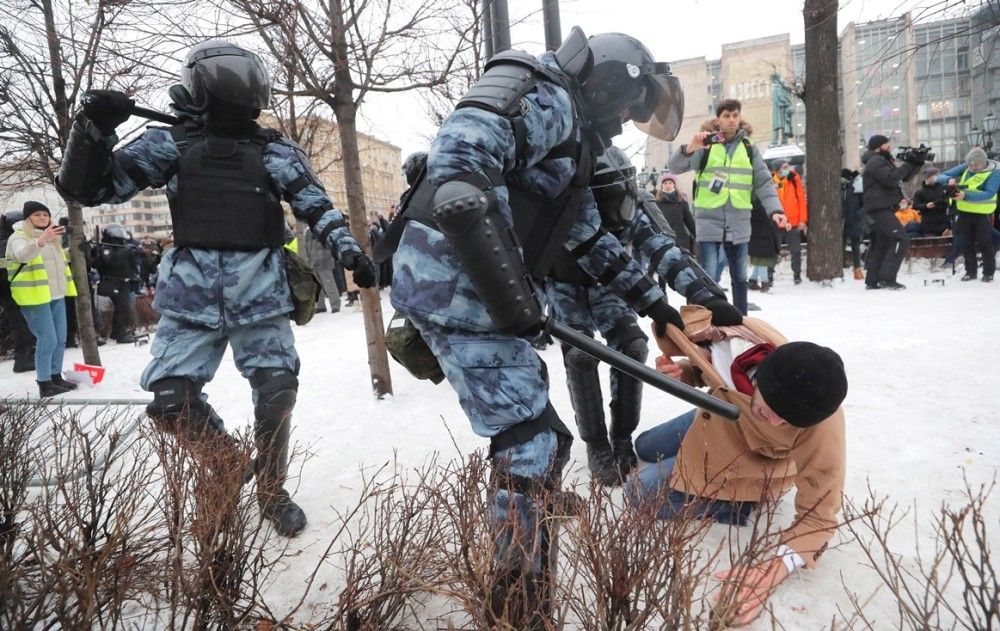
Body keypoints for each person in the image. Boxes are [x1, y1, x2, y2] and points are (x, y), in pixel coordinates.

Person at [390, 28, 739, 622]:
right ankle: (520, 600)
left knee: (544, 439)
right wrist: (512, 301)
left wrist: (658, 305)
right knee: (528, 444)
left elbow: (588, 236)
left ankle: (534, 513)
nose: (628, 121)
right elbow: (457, 175)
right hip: (457, 290)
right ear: (607, 85)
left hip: (471, 292)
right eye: (629, 108)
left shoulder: (572, 137)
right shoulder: (544, 94)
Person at [55, 40, 376, 537]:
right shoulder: (172, 144)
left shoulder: (274, 151)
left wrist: (348, 249)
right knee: (170, 401)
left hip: (261, 294)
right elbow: (87, 189)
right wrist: (92, 129)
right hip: (190, 298)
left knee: (276, 391)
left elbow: (316, 203)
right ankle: (228, 464)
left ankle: (272, 490)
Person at [627, 305, 847, 626]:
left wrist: (775, 568)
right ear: (763, 377)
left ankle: (737, 504)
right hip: (720, 412)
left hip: (748, 457)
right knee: (644, 444)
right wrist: (685, 372)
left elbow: (820, 513)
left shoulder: (822, 422)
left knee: (638, 492)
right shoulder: (749, 347)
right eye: (773, 407)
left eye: (787, 419)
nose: (776, 420)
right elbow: (712, 366)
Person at [546, 147, 740, 487]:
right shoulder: (558, 203)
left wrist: (705, 294)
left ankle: (621, 434)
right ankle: (595, 444)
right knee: (580, 355)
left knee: (632, 347)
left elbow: (664, 250)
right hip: (565, 289)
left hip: (614, 288)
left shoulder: (632, 205)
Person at [668, 99, 786, 314]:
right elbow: (674, 167)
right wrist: (690, 148)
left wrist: (776, 210)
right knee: (709, 276)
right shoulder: (706, 145)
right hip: (708, 221)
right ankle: (709, 319)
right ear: (718, 119)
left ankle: (741, 318)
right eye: (726, 116)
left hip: (739, 222)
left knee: (740, 277)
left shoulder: (749, 148)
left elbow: (764, 182)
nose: (731, 120)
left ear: (739, 118)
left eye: (735, 115)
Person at [4, 202, 79, 397]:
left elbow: (60, 262)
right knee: (47, 339)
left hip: (56, 295)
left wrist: (77, 247)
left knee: (60, 340)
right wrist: (40, 240)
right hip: (35, 296)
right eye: (37, 215)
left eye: (46, 214)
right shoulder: (19, 237)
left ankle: (55, 376)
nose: (43, 218)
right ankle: (44, 382)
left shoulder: (53, 238)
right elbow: (22, 255)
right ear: (27, 218)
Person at [861, 134, 921, 290]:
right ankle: (887, 279)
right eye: (886, 145)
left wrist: (916, 163)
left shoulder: (882, 161)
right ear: (878, 147)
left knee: (882, 242)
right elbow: (891, 179)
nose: (890, 147)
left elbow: (904, 177)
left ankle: (873, 280)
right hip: (880, 208)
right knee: (901, 239)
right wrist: (909, 163)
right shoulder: (875, 161)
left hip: (882, 207)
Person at [935, 147, 999, 282]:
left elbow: (989, 193)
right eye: (970, 164)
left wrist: (964, 195)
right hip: (963, 212)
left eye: (976, 165)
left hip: (982, 213)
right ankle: (970, 272)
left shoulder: (995, 172)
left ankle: (988, 273)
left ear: (984, 162)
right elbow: (941, 176)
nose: (972, 167)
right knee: (966, 243)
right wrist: (949, 181)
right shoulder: (967, 166)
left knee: (985, 243)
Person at [92, 224, 142, 343]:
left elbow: (134, 264)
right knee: (123, 308)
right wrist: (126, 251)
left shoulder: (123, 247)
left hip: (124, 283)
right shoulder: (106, 248)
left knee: (123, 309)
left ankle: (117, 333)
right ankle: (120, 335)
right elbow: (111, 262)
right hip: (111, 282)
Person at [1, 211, 36, 373]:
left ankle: (27, 357)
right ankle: (23, 361)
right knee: (21, 327)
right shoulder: (6, 242)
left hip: (12, 292)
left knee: (23, 326)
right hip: (11, 293)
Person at [771, 160, 807, 284]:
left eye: (787, 166)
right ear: (777, 170)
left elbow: (801, 200)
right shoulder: (770, 181)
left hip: (793, 221)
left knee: (796, 250)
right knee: (773, 250)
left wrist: (803, 220)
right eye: (784, 167)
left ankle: (797, 274)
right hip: (777, 221)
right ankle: (769, 274)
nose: (788, 168)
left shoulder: (794, 179)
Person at [654, 172, 696, 252]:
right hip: (663, 241)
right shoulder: (657, 204)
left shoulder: (681, 202)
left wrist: (696, 235)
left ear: (674, 185)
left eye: (670, 183)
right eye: (665, 183)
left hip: (681, 240)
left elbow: (689, 221)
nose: (668, 185)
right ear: (662, 186)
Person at [748, 195, 781, 292]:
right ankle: (764, 283)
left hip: (759, 236)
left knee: (760, 262)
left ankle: (753, 281)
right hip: (762, 236)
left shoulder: (754, 203)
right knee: (762, 261)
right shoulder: (761, 205)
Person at [303, 228, 340, 313]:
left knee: (329, 283)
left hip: (324, 260)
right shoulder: (308, 231)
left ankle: (335, 304)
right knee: (317, 286)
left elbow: (331, 243)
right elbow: (306, 246)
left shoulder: (324, 228)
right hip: (312, 262)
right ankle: (321, 306)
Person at [841, 169, 866, 280]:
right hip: (841, 221)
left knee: (855, 246)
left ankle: (857, 269)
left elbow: (865, 204)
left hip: (854, 220)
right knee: (839, 246)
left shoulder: (857, 188)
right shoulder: (841, 188)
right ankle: (840, 268)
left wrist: (858, 215)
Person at [910, 167, 950, 237]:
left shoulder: (943, 187)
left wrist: (943, 202)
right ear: (928, 177)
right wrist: (926, 206)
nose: (937, 177)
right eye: (935, 175)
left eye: (938, 175)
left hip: (943, 224)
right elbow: (915, 206)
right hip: (928, 226)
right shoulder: (919, 191)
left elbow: (949, 201)